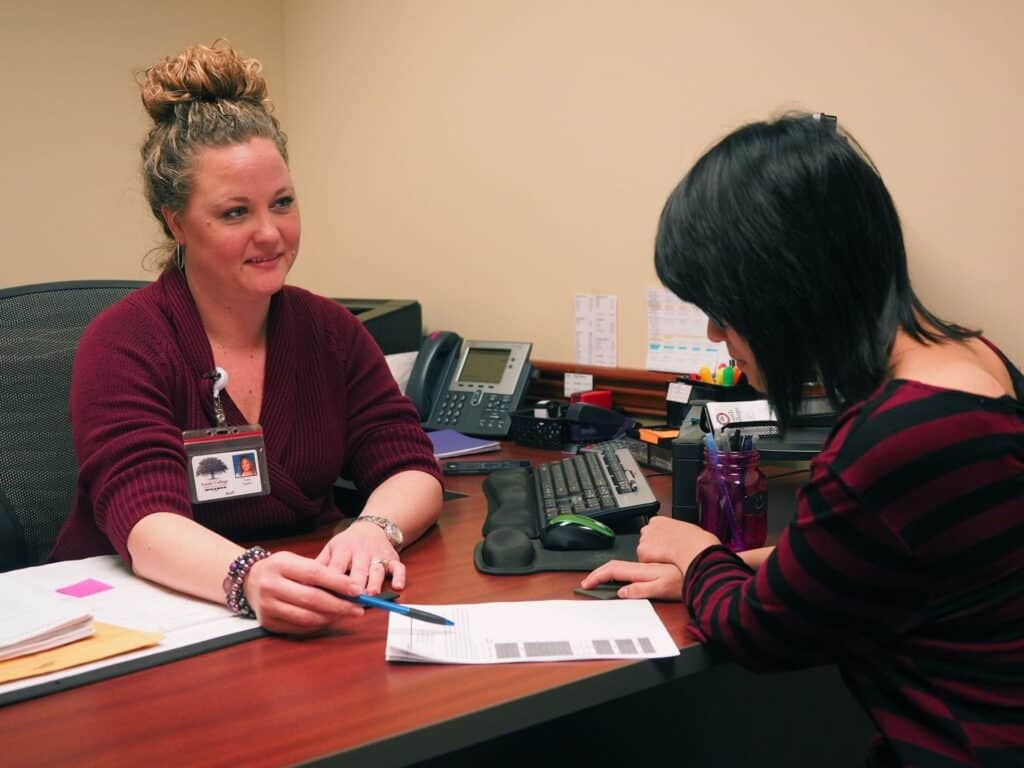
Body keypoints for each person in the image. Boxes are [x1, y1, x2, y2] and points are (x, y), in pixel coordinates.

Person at [582, 113, 1023, 765]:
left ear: (780, 293)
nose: (713, 335)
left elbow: (759, 635)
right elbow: (890, 554)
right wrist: (749, 567)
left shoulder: (892, 440)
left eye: (720, 310)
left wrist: (702, 554)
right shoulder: (973, 359)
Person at [50, 41, 444, 636]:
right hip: (131, 621)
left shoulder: (329, 332)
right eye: (235, 213)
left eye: (282, 203)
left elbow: (409, 462)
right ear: (175, 221)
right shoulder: (124, 343)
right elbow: (145, 519)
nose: (270, 234)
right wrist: (249, 577)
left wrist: (374, 527)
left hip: (296, 608)